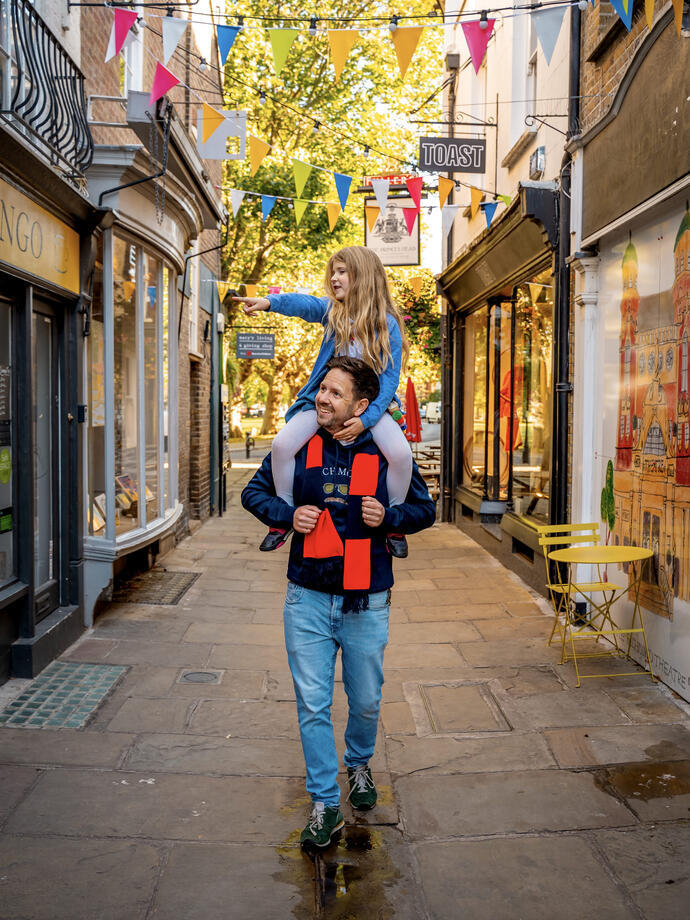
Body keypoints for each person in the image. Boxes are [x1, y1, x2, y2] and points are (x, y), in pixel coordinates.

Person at [241, 356, 436, 849]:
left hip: (366, 599)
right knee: (313, 703)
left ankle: (358, 764)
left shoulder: (386, 453)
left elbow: (424, 509)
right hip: (306, 595)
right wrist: (288, 514)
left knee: (366, 700)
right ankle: (325, 802)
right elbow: (254, 492)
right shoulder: (300, 443)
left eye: (333, 392)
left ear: (361, 405)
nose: (321, 398)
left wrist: (388, 517)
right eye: (321, 389)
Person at [233, 246, 412, 558]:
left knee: (400, 454)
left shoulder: (387, 325)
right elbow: (305, 304)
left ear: (363, 277)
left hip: (371, 406)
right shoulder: (334, 313)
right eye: (334, 271)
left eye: (342, 271)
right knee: (281, 445)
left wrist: (366, 420)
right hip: (327, 400)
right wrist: (269, 303)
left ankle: (393, 523)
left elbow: (389, 379)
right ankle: (283, 516)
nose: (334, 277)